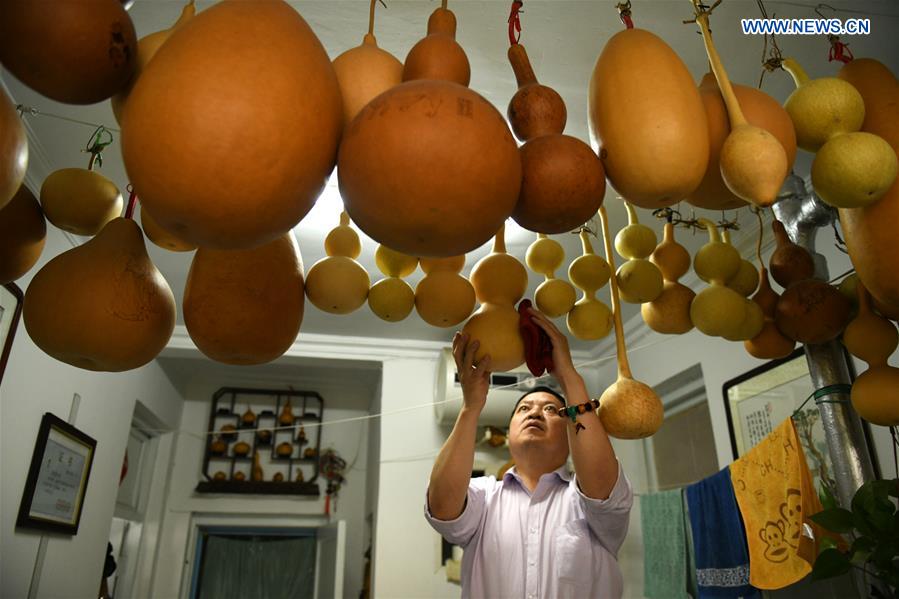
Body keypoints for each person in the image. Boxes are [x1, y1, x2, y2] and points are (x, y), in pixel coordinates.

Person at [425, 307, 633, 599]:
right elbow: (442, 508)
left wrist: (569, 377)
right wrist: (471, 406)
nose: (535, 412)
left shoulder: (585, 500)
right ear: (508, 433)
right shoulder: (484, 498)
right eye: (524, 408)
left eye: (550, 409)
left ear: (571, 430)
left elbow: (601, 490)